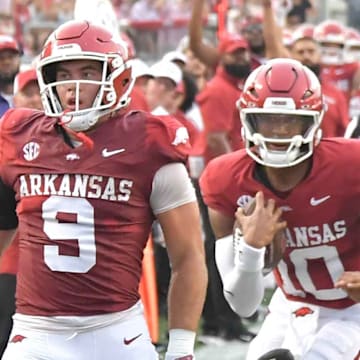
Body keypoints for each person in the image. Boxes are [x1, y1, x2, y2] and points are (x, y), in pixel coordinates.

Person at [0, 20, 207, 360]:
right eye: (63, 74)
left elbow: (188, 255)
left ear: (118, 79)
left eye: (87, 71)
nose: (74, 86)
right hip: (35, 332)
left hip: (115, 332)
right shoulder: (18, 136)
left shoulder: (150, 141)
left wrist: (182, 349)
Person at [199, 58, 360, 359]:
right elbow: (243, 306)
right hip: (290, 307)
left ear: (314, 120)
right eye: (268, 119)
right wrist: (250, 248)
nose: (280, 131)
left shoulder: (351, 166)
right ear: (248, 119)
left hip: (353, 310)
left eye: (290, 120)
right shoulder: (225, 179)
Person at [0, 67, 42, 358]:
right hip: (11, 257)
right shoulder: (6, 141)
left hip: (51, 265)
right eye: (29, 92)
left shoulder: (70, 140)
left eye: (41, 91)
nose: (37, 99)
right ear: (14, 97)